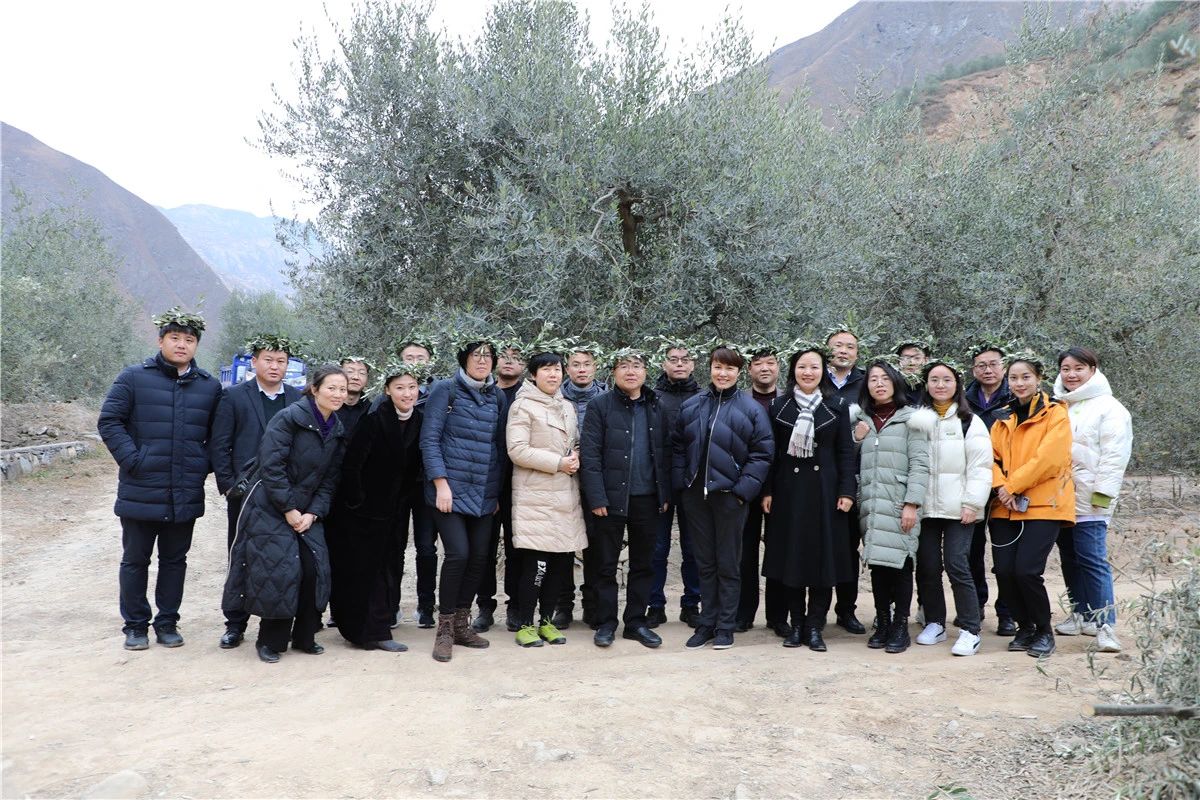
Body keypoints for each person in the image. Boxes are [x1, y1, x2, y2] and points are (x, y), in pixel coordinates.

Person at [99, 307, 222, 651]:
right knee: (135, 560)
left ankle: (167, 622)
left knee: (174, 561)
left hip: (184, 490)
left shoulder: (209, 386)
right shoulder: (133, 378)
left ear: (196, 345)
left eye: (189, 339)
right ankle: (135, 625)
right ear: (160, 340)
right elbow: (109, 421)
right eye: (175, 338)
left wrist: (201, 464)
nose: (182, 345)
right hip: (141, 488)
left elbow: (219, 435)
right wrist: (133, 460)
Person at [222, 365, 350, 663]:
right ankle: (270, 641)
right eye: (331, 388)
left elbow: (330, 479)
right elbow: (272, 467)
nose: (338, 394)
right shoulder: (289, 418)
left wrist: (313, 513)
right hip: (270, 505)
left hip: (306, 511)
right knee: (280, 571)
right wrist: (289, 509)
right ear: (314, 389)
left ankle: (305, 636)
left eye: (342, 389)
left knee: (314, 568)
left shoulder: (337, 429)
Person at [674, 346, 774, 650]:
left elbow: (762, 453)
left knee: (729, 563)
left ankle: (725, 626)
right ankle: (707, 622)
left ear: (738, 372)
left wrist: (743, 491)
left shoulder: (751, 408)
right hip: (696, 497)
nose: (723, 373)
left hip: (730, 497)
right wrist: (683, 483)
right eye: (718, 367)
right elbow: (677, 447)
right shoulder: (692, 405)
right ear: (710, 368)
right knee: (704, 562)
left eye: (730, 368)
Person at [209, 334, 304, 649]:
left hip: (284, 492)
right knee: (241, 554)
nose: (275, 366)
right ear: (254, 362)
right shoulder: (234, 397)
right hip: (246, 492)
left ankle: (275, 623)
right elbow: (220, 445)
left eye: (281, 361)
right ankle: (235, 624)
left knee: (280, 559)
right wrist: (228, 486)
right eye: (268, 360)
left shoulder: (298, 398)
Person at [761, 344, 856, 651]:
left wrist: (847, 491)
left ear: (823, 372)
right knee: (792, 561)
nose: (808, 372)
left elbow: (845, 452)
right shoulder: (778, 406)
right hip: (788, 493)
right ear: (793, 371)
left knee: (822, 563)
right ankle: (796, 625)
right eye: (802, 366)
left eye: (814, 367)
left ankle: (815, 626)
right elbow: (772, 454)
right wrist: (767, 490)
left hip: (826, 493)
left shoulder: (837, 405)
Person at [327, 362, 428, 653]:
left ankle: (376, 626)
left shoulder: (419, 420)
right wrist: (359, 502)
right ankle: (369, 632)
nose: (407, 393)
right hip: (362, 512)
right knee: (364, 570)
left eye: (412, 387)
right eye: (400, 388)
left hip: (393, 511)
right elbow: (352, 465)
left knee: (388, 568)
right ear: (387, 390)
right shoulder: (374, 419)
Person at [420, 338, 509, 662]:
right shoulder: (445, 390)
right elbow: (429, 440)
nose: (482, 361)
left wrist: (495, 493)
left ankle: (461, 624)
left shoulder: (497, 396)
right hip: (449, 490)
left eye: (488, 356)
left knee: (479, 558)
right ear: (464, 359)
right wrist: (440, 484)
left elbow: (499, 448)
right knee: (458, 554)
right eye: (476, 355)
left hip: (483, 491)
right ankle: (444, 628)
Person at [580, 348, 671, 649]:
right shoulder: (600, 405)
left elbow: (666, 454)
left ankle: (635, 622)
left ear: (646, 371)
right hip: (609, 498)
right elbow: (590, 455)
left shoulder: (657, 405)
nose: (630, 372)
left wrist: (664, 494)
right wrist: (596, 497)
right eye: (623, 366)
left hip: (648, 498)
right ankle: (606, 622)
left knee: (644, 564)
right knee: (605, 564)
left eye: (636, 366)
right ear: (613, 372)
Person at [989, 354, 1075, 658]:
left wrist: (1011, 486)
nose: (1019, 383)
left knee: (1027, 571)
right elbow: (990, 458)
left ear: (1038, 379)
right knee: (1004, 571)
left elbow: (1049, 459)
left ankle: (1043, 630)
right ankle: (1024, 627)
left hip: (1044, 504)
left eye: (1026, 377)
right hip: (1004, 507)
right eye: (1014, 378)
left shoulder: (1056, 413)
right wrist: (1000, 487)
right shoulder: (1002, 418)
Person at [851, 360, 934, 654]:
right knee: (877, 566)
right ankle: (883, 621)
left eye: (885, 378)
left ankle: (900, 625)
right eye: (873, 379)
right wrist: (856, 439)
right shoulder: (860, 420)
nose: (879, 384)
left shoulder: (912, 420)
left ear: (895, 383)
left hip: (899, 504)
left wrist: (912, 503)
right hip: (871, 505)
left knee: (901, 565)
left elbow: (920, 465)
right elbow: (847, 458)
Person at [505, 351, 588, 647]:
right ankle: (525, 624)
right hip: (536, 497)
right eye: (546, 370)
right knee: (537, 566)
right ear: (533, 375)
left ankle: (546, 622)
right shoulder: (522, 406)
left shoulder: (566, 406)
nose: (553, 375)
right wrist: (558, 463)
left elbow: (574, 441)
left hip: (566, 496)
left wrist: (575, 455)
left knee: (560, 565)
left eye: (556, 370)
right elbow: (517, 450)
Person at [1052, 347, 1131, 653]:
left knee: (1092, 559)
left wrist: (1102, 494)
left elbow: (1115, 456)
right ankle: (1080, 614)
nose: (1071, 374)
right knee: (1070, 558)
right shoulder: (1059, 404)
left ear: (1093, 370)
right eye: (1066, 368)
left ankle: (1105, 625)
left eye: (1078, 368)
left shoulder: (1110, 408)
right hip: (1060, 498)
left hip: (1091, 499)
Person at [913, 361, 992, 657]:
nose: (940, 385)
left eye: (946, 380)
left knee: (957, 564)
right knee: (928, 566)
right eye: (934, 379)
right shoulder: (917, 420)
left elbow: (981, 467)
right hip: (925, 507)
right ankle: (935, 622)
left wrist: (973, 502)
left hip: (960, 508)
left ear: (957, 384)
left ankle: (970, 629)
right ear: (926, 384)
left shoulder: (969, 421)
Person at [648, 341, 704, 628]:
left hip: (693, 484)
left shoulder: (705, 397)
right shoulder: (652, 398)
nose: (679, 364)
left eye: (685, 359)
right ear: (664, 364)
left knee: (693, 549)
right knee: (657, 549)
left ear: (693, 364)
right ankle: (655, 605)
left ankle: (691, 604)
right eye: (673, 359)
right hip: (659, 485)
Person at [554, 342, 608, 629]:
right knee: (563, 545)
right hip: (561, 479)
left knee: (595, 545)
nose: (582, 369)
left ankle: (592, 604)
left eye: (587, 364)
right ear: (567, 368)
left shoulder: (607, 398)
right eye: (576, 364)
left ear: (595, 367)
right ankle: (563, 605)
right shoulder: (554, 396)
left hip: (595, 482)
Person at [965, 343, 1017, 635]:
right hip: (973, 485)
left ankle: (1007, 612)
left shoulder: (1015, 397)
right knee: (971, 551)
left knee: (1004, 553)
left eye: (993, 364)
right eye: (981, 365)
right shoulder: (964, 399)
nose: (988, 370)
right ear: (973, 370)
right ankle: (975, 606)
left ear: (1004, 367)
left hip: (1006, 487)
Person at [472, 341, 524, 633]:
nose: (508, 361)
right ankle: (484, 606)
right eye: (503, 356)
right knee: (484, 548)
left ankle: (515, 606)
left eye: (516, 357)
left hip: (519, 484)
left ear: (524, 365)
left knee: (517, 548)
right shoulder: (483, 392)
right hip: (485, 481)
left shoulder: (528, 395)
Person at [389, 337, 438, 627]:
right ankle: (391, 604)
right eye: (410, 357)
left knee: (427, 547)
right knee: (394, 546)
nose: (415, 363)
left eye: (421, 358)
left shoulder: (440, 393)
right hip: (396, 486)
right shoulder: (389, 394)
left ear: (430, 362)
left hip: (427, 483)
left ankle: (426, 605)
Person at [737, 344, 784, 633]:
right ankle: (743, 613)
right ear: (749, 369)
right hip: (745, 487)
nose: (764, 368)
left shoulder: (790, 401)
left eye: (770, 362)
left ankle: (777, 616)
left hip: (781, 488)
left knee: (778, 552)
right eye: (758, 363)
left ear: (779, 367)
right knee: (744, 553)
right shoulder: (738, 400)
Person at [825, 327, 867, 635]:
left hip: (858, 477)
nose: (843, 351)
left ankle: (846, 609)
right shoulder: (815, 378)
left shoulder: (866, 383)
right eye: (837, 345)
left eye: (849, 346)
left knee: (850, 546)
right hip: (821, 477)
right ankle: (815, 610)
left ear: (857, 353)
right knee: (820, 544)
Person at [336, 357, 373, 434]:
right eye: (350, 371)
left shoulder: (371, 410)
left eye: (362, 373)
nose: (356, 377)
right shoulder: (326, 406)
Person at [895, 339, 932, 405]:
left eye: (917, 358)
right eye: (906, 358)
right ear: (898, 361)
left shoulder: (932, 386)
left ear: (926, 360)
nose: (911, 363)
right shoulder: (893, 386)